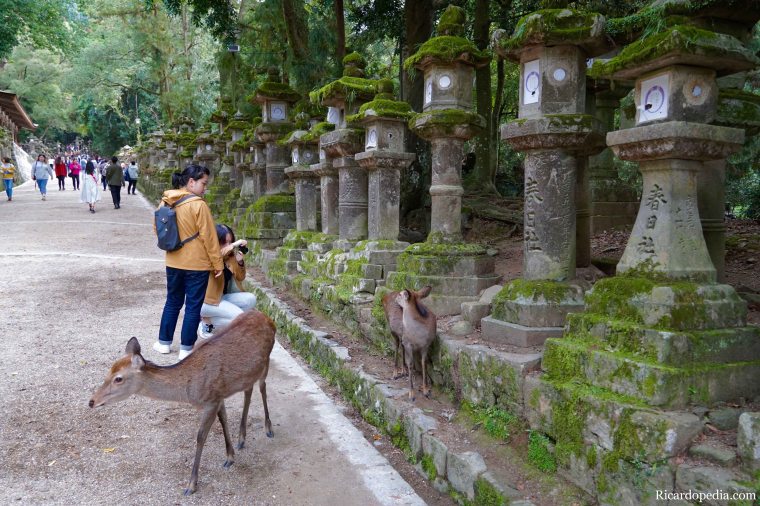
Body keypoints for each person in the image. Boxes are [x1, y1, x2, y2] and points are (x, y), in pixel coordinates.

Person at [153, 165, 223, 360]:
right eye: (203, 183)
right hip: (197, 264)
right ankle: (186, 349)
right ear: (191, 182)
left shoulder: (165, 202)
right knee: (193, 306)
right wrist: (217, 263)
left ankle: (164, 343)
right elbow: (209, 237)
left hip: (173, 261)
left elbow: (157, 230)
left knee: (173, 301)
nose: (204, 188)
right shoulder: (198, 205)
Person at [197, 224, 256, 339]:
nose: (228, 246)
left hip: (221, 298)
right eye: (224, 242)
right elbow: (218, 256)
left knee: (250, 299)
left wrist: (240, 262)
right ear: (215, 241)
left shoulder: (230, 256)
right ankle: (205, 325)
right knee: (240, 317)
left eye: (230, 242)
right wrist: (234, 244)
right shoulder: (207, 255)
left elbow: (240, 277)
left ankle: (209, 322)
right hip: (206, 301)